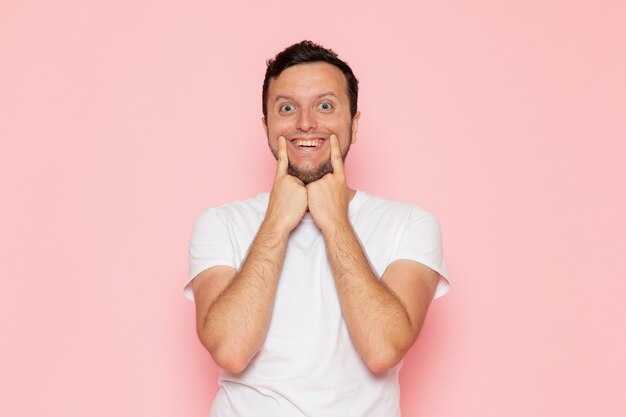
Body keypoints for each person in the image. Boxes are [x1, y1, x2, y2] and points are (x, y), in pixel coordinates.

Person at [184, 40, 450, 417]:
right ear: (267, 126)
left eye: (325, 106)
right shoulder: (220, 224)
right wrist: (276, 222)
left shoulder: (410, 224)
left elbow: (382, 350)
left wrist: (336, 221)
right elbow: (231, 349)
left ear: (354, 124)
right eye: (287, 108)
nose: (306, 123)